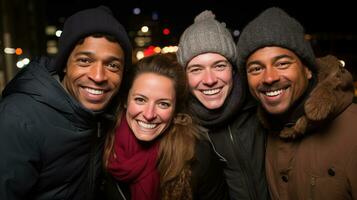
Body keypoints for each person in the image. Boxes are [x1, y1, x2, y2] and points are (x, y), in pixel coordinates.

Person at [0, 6, 132, 200]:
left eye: (112, 65)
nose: (98, 76)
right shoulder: (18, 119)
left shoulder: (108, 114)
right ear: (64, 64)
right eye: (85, 61)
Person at [237, 7, 357, 199]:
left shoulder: (353, 131)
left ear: (307, 70)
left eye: (282, 63)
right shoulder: (262, 134)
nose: (269, 77)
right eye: (256, 68)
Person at [102, 53, 229, 200]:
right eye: (140, 100)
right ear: (125, 100)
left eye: (163, 104)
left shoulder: (198, 156)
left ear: (175, 109)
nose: (149, 115)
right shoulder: (105, 144)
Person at [176, 10, 269, 200]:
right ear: (184, 77)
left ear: (233, 70)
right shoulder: (181, 129)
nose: (209, 80)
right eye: (196, 69)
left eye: (219, 66)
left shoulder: (265, 109)